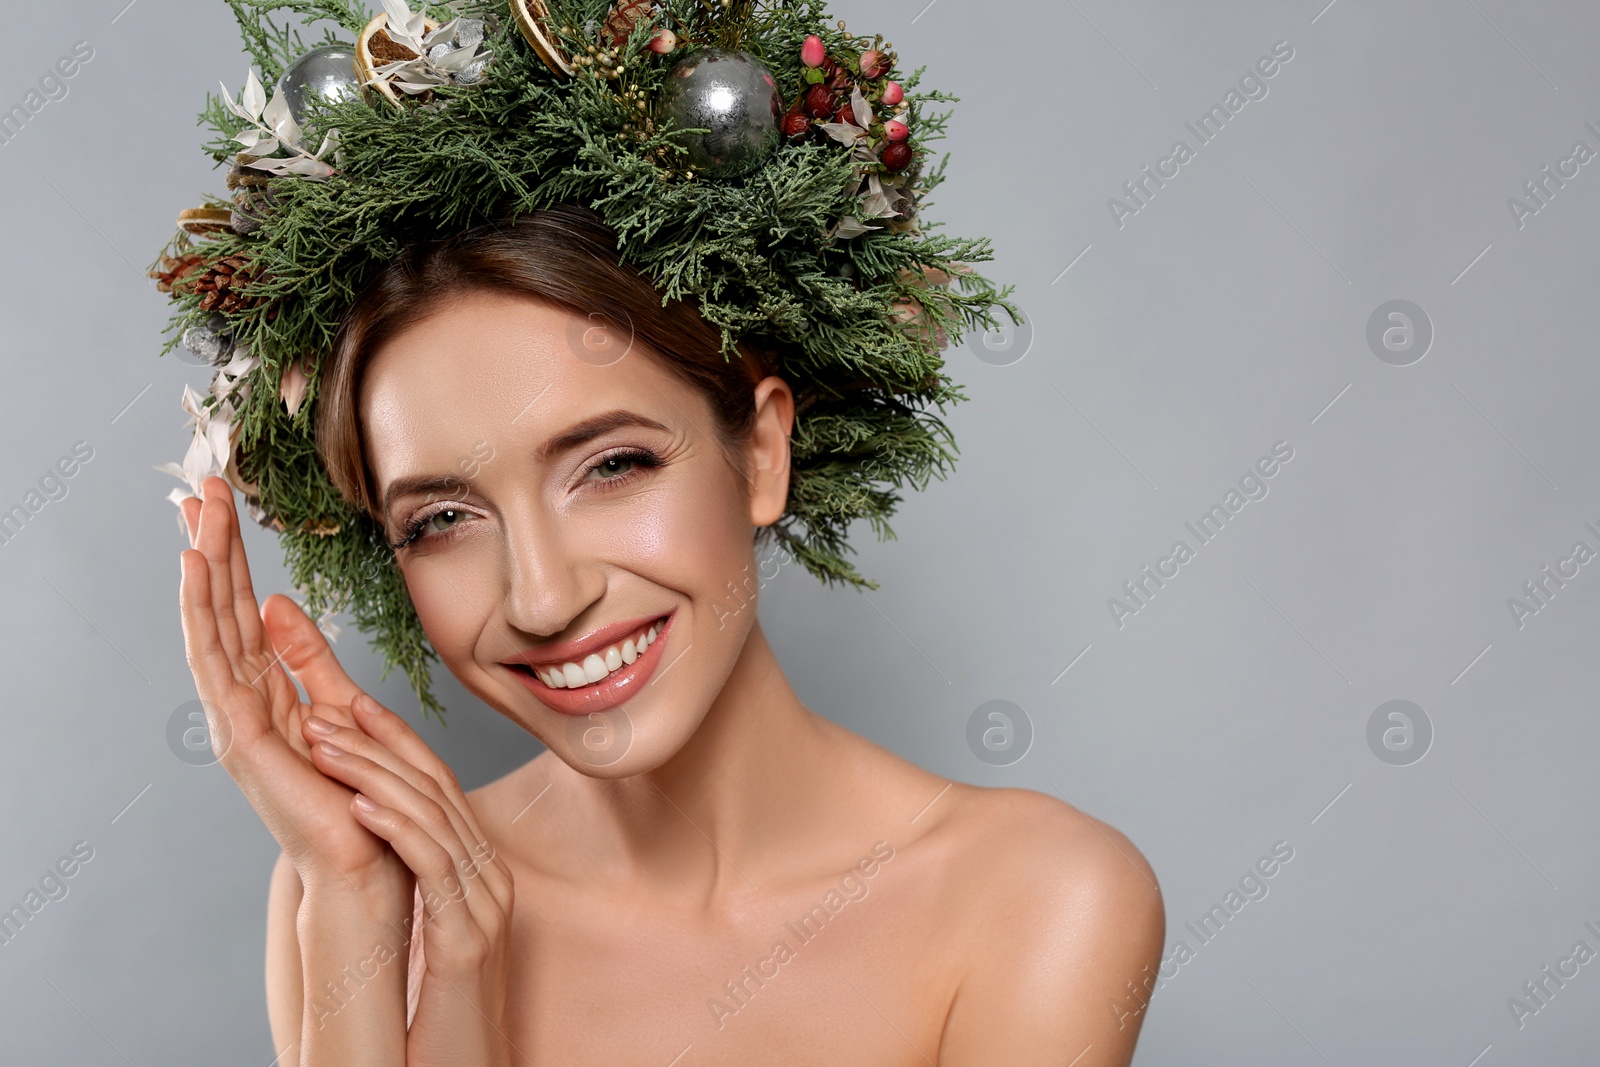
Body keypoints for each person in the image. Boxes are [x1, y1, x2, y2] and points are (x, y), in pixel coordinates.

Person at [161, 6, 1163, 1064]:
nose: (543, 598)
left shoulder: (1035, 897)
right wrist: (412, 956)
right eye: (443, 519)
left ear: (763, 451)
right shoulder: (350, 892)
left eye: (612, 465)